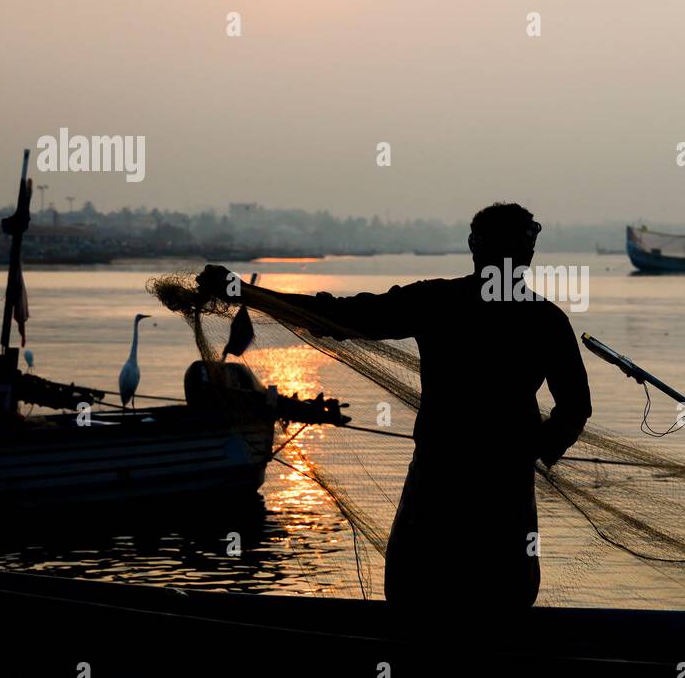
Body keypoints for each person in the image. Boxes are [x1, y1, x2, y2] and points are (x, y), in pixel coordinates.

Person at [198, 202, 591, 610]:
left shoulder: (439, 301)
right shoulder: (544, 320)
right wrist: (539, 449)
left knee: (415, 598)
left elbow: (339, 315)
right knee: (502, 601)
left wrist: (242, 291)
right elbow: (575, 407)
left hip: (439, 481)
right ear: (528, 254)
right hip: (502, 490)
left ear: (474, 248)